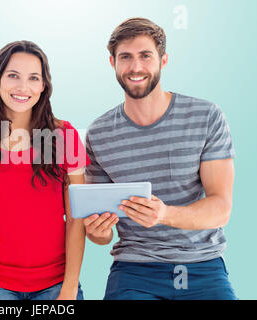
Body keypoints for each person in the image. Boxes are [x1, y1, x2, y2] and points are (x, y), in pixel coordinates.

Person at [83, 18, 237, 300]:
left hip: (203, 266)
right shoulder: (98, 133)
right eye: (125, 57)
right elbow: (101, 234)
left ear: (163, 60)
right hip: (134, 269)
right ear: (112, 63)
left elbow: (221, 208)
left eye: (145, 56)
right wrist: (97, 232)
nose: (136, 67)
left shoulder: (206, 116)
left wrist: (164, 214)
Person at [0, 40, 90, 300]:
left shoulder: (65, 137)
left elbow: (76, 218)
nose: (23, 87)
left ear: (44, 86)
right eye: (13, 76)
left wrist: (69, 289)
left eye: (34, 78)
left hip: (56, 282)